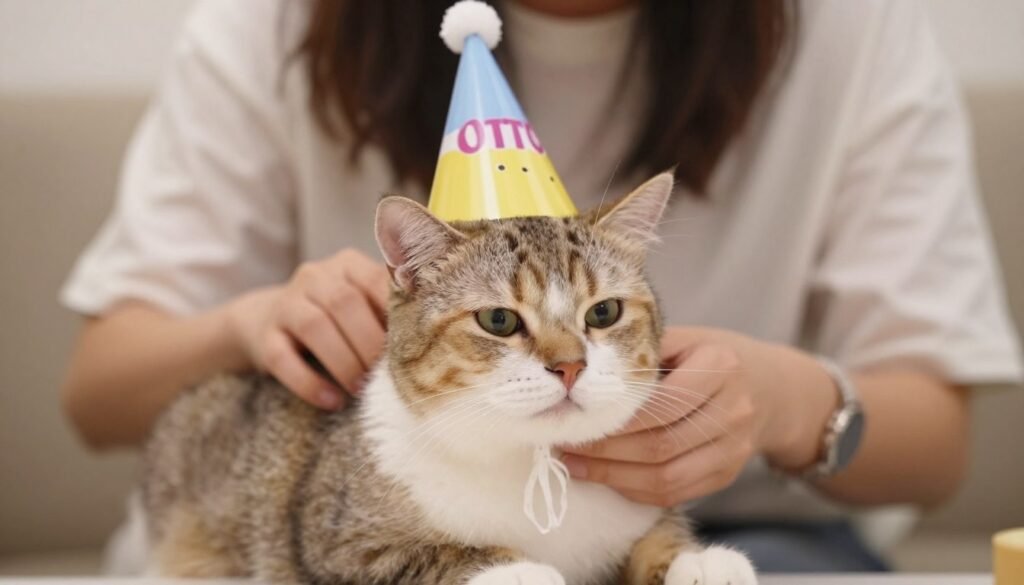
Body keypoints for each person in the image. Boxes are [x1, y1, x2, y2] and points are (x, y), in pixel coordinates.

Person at [60, 0, 1022, 573]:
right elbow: (97, 393)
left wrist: (789, 403)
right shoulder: (273, 25)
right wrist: (253, 321)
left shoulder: (851, 33)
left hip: (742, 531)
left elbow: (938, 449)